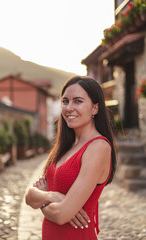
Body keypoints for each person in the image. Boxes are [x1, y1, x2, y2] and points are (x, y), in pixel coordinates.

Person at [25, 76, 116, 240]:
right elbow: (29, 197)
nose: (69, 108)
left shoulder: (98, 147)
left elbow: (61, 215)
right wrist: (52, 197)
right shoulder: (65, 148)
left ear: (95, 108)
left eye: (78, 101)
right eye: (65, 101)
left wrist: (43, 199)